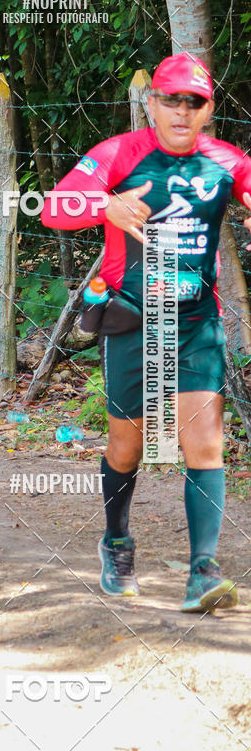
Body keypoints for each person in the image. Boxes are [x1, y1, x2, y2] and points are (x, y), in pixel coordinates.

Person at [41, 52, 251, 612]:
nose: (182, 111)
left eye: (195, 102)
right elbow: (54, 209)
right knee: (127, 445)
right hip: (133, 319)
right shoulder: (119, 153)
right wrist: (103, 205)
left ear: (208, 109)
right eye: (171, 100)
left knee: (204, 443)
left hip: (195, 323)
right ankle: (116, 542)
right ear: (151, 104)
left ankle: (202, 572)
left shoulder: (227, 162)